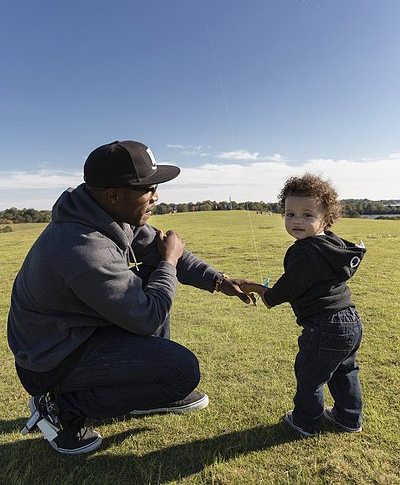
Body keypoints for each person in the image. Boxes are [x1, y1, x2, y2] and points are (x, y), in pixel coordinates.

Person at [7, 140, 263, 455]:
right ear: (114, 195)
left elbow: (159, 246)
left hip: (75, 334)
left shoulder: (107, 212)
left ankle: (148, 396)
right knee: (182, 370)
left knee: (154, 273)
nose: (157, 197)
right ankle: (61, 406)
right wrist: (169, 262)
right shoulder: (84, 247)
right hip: (50, 359)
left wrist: (218, 280)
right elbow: (148, 314)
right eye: (149, 189)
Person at [262, 173, 365, 437]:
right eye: (290, 214)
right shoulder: (331, 244)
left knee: (310, 374)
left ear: (326, 218)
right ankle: (349, 417)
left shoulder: (306, 250)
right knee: (345, 369)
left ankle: (305, 422)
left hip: (324, 326)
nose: (297, 220)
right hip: (350, 321)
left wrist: (270, 296)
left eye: (307, 215)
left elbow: (292, 283)